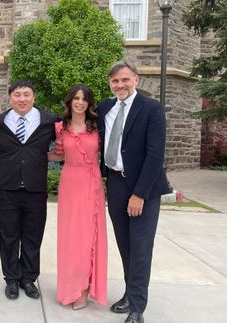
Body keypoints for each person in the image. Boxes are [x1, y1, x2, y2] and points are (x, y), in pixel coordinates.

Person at [97, 61, 168, 323]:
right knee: (125, 245)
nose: (120, 85)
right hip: (115, 183)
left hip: (143, 189)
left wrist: (139, 194)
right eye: (115, 81)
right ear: (110, 84)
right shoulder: (105, 108)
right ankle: (130, 292)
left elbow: (155, 155)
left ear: (136, 80)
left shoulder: (151, 109)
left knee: (140, 247)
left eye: (125, 80)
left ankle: (137, 307)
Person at [0, 80, 57, 300]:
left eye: (26, 94)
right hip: (9, 188)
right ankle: (11, 279)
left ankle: (28, 278)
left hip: (36, 189)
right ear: (10, 98)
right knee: (8, 236)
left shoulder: (49, 121)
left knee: (33, 236)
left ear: (33, 97)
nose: (22, 99)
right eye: (17, 95)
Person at [50, 84, 107, 310]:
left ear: (89, 103)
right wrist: (29, 154)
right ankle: (69, 287)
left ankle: (83, 290)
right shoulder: (60, 127)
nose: (80, 102)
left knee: (88, 237)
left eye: (84, 99)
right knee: (70, 238)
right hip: (69, 184)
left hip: (91, 184)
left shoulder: (97, 127)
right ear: (69, 101)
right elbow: (58, 154)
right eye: (76, 98)